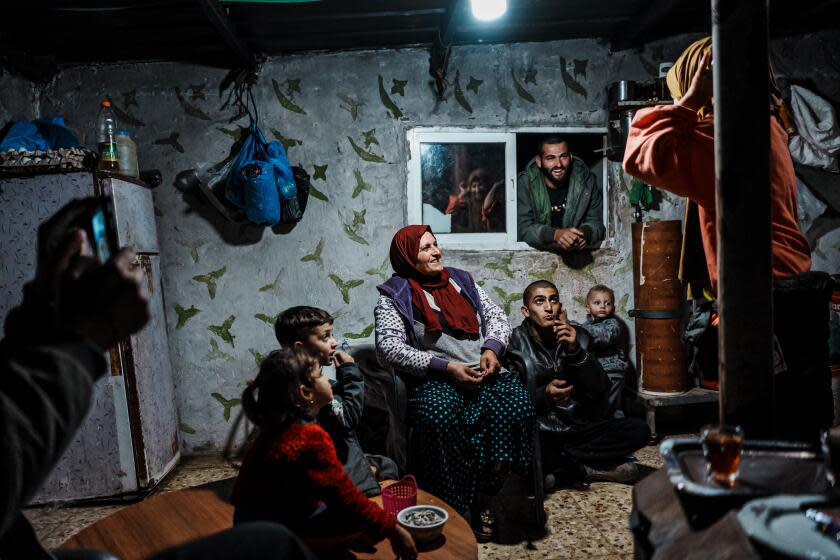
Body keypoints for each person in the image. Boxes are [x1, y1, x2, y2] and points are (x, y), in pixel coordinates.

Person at [622, 36, 831, 441]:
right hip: (791, 295)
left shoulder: (729, 143)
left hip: (765, 303)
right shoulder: (766, 126)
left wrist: (687, 104)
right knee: (795, 429)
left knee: (766, 436)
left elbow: (642, 152)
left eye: (682, 88)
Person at [374, 225, 534, 541]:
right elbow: (389, 347)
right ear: (407, 257)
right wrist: (447, 368)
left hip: (485, 373)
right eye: (426, 248)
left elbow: (497, 318)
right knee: (438, 417)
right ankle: (455, 508)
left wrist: (492, 349)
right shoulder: (394, 295)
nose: (436, 252)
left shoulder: (463, 281)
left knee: (518, 407)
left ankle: (487, 499)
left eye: (435, 245)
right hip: (438, 379)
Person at [230, 347, 417, 559]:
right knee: (361, 520)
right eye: (321, 376)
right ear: (305, 393)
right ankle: (316, 545)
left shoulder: (274, 428)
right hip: (272, 539)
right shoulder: (309, 438)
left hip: (248, 527)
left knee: (358, 520)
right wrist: (393, 530)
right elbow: (348, 499)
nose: (328, 382)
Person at [506, 281, 650, 489]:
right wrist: (545, 394)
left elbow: (600, 389)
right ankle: (587, 470)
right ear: (526, 311)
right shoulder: (515, 342)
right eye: (540, 301)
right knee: (520, 446)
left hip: (578, 427)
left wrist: (576, 352)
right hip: (542, 430)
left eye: (553, 300)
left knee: (639, 430)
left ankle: (565, 470)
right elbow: (512, 401)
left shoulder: (578, 335)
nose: (548, 307)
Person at [274, 306, 398, 497]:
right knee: (385, 472)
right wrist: (349, 373)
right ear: (300, 348)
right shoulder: (311, 394)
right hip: (336, 472)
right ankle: (373, 497)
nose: (334, 342)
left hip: (340, 455)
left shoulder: (290, 382)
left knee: (386, 465)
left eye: (332, 335)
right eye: (325, 337)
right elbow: (348, 418)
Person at [517, 137, 605, 252]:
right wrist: (555, 235)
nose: (558, 164)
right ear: (539, 161)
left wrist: (585, 233)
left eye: (563, 156)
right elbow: (524, 229)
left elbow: (597, 223)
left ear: (571, 157)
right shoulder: (526, 183)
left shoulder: (587, 181)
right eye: (550, 158)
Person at [580, 284, 630, 417]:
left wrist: (576, 330)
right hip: (597, 371)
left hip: (613, 370)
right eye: (597, 303)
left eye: (607, 303)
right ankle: (602, 424)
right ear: (588, 307)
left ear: (613, 308)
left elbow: (603, 336)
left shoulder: (613, 324)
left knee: (612, 404)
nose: (602, 306)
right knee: (600, 403)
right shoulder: (586, 325)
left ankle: (619, 426)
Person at [445, 168, 505, 233]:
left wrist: (494, 188)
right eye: (474, 186)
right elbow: (448, 216)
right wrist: (463, 193)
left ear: (486, 186)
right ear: (470, 188)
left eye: (480, 185)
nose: (477, 190)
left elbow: (486, 209)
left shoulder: (495, 204)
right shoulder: (467, 204)